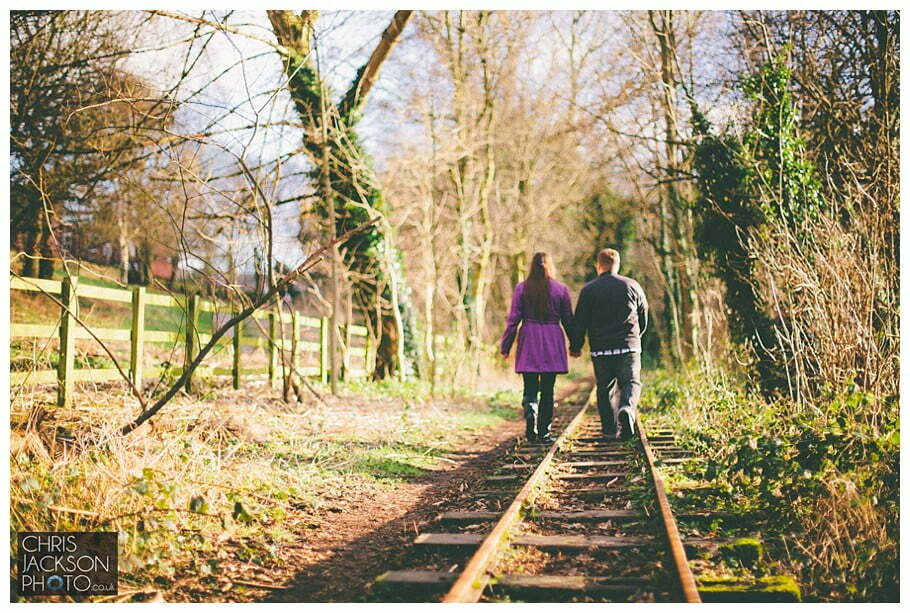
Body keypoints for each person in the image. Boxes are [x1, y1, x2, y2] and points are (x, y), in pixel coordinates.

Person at [569, 248, 648, 440]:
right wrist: (638, 337)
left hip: (601, 349)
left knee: (604, 388)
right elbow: (643, 314)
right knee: (631, 382)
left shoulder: (589, 290)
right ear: (618, 264)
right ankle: (627, 409)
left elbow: (580, 321)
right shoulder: (632, 285)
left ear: (599, 265)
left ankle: (609, 430)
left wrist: (576, 345)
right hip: (628, 345)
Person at [500, 252, 574, 443]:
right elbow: (569, 321)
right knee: (548, 390)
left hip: (529, 341)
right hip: (552, 341)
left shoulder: (522, 289)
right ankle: (544, 432)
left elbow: (513, 320)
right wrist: (575, 344)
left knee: (530, 386)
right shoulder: (561, 290)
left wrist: (506, 346)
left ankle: (531, 409)